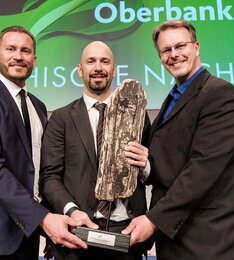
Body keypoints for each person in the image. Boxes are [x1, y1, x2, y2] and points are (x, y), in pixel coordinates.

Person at [0, 25, 86, 259]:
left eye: (25, 51)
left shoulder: (39, 106)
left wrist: (57, 218)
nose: (18, 56)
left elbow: (39, 172)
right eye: (11, 49)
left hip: (28, 238)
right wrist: (43, 219)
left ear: (34, 60)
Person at [122, 19, 234, 259]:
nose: (174, 54)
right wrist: (146, 166)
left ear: (197, 47)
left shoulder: (221, 95)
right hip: (174, 239)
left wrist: (154, 219)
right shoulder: (172, 99)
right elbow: (167, 163)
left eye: (180, 46)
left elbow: (204, 169)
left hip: (210, 240)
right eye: (166, 50)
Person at [40, 41, 151, 260]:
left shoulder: (137, 115)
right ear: (80, 70)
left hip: (127, 236)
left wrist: (146, 166)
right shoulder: (61, 119)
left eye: (105, 61)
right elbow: (49, 178)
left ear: (114, 69)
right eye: (91, 61)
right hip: (77, 235)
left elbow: (151, 173)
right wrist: (72, 211)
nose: (98, 67)